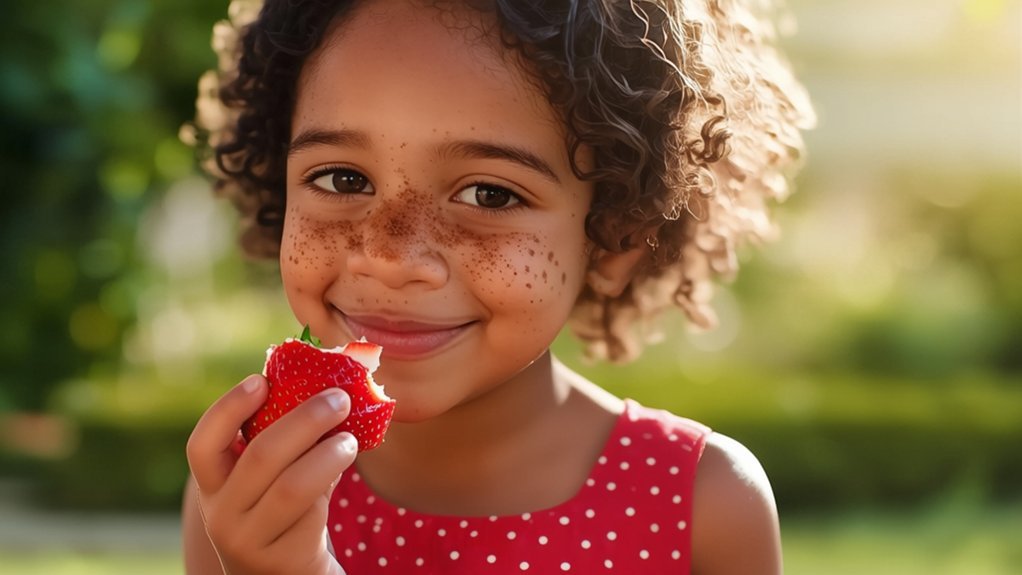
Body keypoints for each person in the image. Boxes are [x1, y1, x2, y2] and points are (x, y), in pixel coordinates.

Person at [181, 0, 813, 573]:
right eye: (343, 179)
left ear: (616, 235)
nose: (391, 256)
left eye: (490, 193)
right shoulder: (252, 488)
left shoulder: (704, 505)